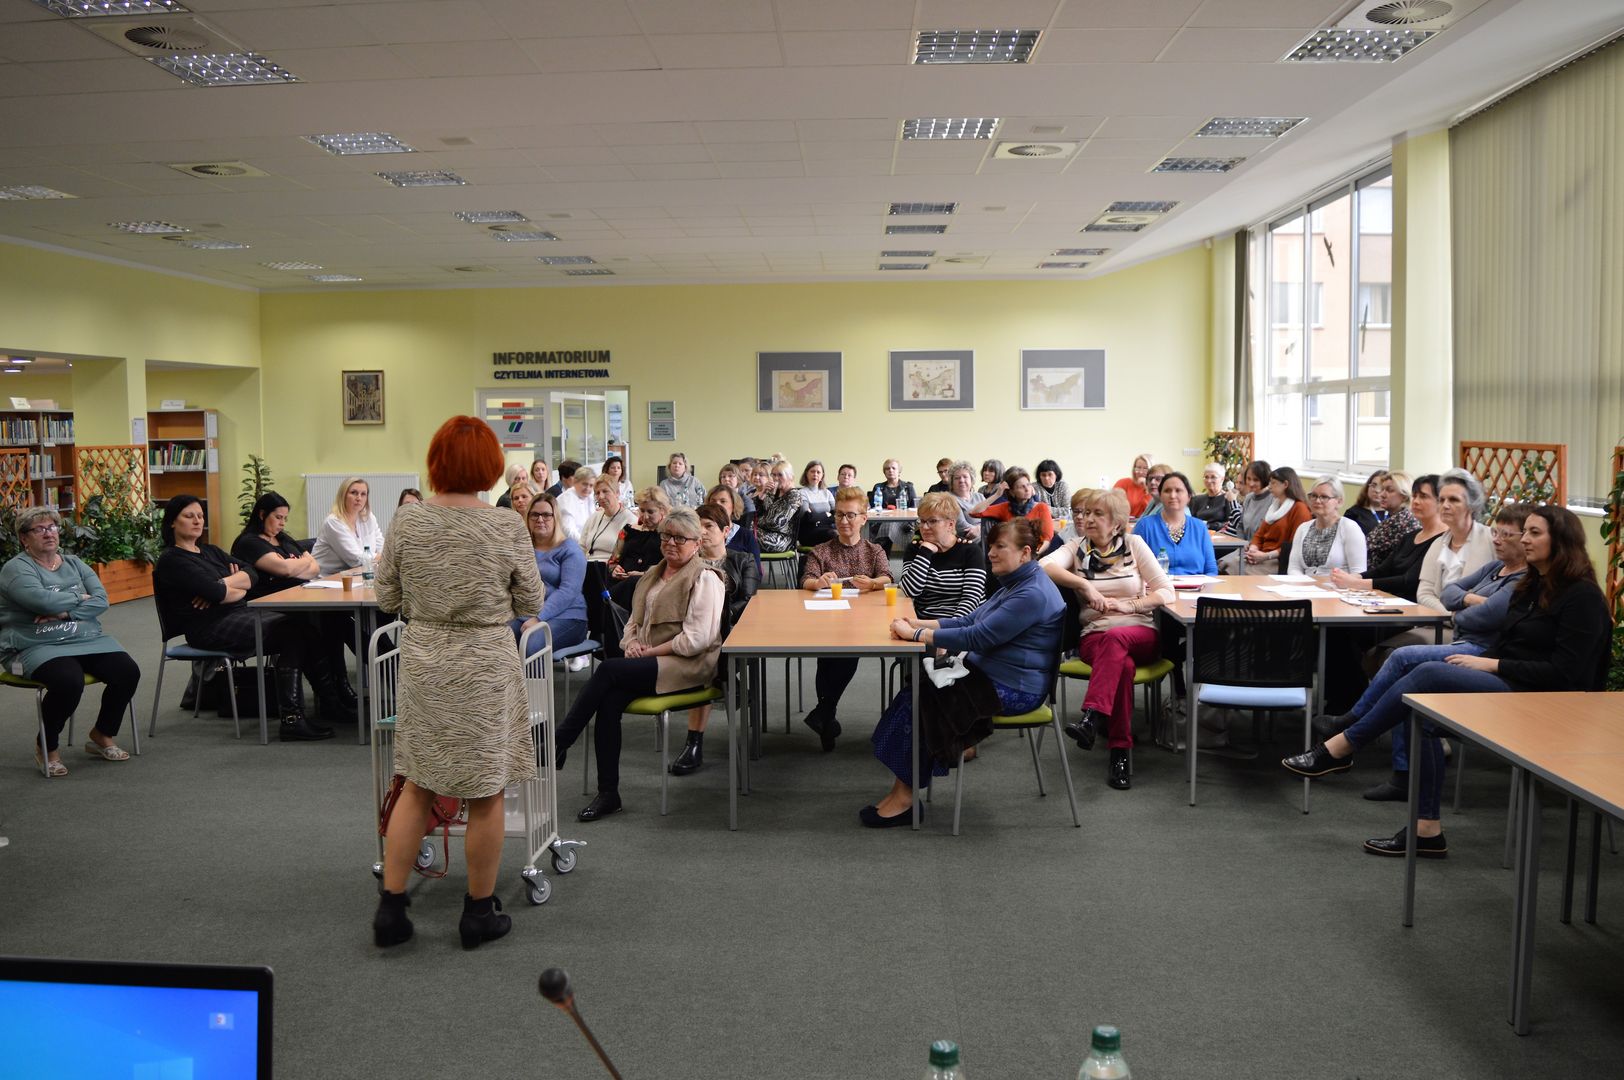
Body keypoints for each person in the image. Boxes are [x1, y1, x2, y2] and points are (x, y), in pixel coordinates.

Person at [1283, 506, 1611, 859]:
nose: (1524, 540)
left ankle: (1342, 746)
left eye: (1534, 533)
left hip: (1549, 700)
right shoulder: (1532, 586)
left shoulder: (1582, 597)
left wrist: (1491, 665)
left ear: (1561, 541)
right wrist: (1491, 663)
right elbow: (1503, 635)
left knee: (1424, 673)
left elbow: (1567, 675)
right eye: (1525, 532)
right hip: (1512, 682)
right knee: (1419, 715)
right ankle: (1427, 831)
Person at [371, 416, 543, 950]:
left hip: (425, 659)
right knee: (487, 791)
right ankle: (477, 913)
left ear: (436, 463)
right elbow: (532, 602)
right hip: (486, 662)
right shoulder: (506, 525)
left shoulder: (408, 521)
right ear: (490, 467)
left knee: (417, 784)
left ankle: (392, 910)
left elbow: (385, 597)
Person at [1315, 503, 1532, 801]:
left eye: (1506, 534)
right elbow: (1448, 592)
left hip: (1481, 650)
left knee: (1405, 660)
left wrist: (1462, 608)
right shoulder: (1495, 568)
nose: (1497, 539)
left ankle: (1354, 724)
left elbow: (1487, 617)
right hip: (1461, 640)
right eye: (1496, 532)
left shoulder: (1523, 580)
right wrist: (1471, 602)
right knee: (1403, 668)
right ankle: (1395, 767)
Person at [866, 519, 1063, 826]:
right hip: (990, 676)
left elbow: (977, 637)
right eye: (992, 546)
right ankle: (902, 791)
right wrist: (919, 624)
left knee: (923, 702)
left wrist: (917, 636)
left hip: (1016, 690)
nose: (991, 553)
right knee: (915, 693)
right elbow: (971, 620)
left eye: (1000, 547)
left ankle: (904, 799)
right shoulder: (1017, 582)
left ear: (1025, 553)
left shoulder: (1031, 593)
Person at [554, 508, 724, 821]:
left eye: (680, 538)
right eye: (666, 536)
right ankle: (609, 794)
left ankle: (559, 742)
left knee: (606, 670)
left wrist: (646, 652)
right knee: (608, 702)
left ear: (697, 543)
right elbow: (631, 623)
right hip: (649, 661)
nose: (671, 543)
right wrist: (631, 645)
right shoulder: (652, 575)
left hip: (690, 665)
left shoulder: (706, 579)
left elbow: (696, 640)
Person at [154, 495, 338, 741]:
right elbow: (217, 593)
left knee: (304, 627)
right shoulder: (172, 559)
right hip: (207, 627)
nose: (197, 521)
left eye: (200, 515)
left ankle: (329, 703)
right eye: (189, 516)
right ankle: (292, 719)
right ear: (172, 523)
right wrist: (227, 588)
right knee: (292, 631)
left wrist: (223, 586)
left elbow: (251, 576)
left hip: (236, 613)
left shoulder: (209, 551)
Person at [1043, 488, 1174, 790]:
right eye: (1086, 513)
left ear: (1116, 522)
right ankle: (1120, 753)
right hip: (1095, 637)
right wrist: (1084, 586)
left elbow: (1166, 592)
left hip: (1140, 632)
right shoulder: (1076, 547)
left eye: (1097, 514)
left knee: (1118, 641)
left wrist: (1129, 605)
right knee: (1122, 667)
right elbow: (1043, 566)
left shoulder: (1134, 544)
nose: (1087, 519)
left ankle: (1092, 716)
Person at [0, 507, 141, 776]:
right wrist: (80, 598)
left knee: (127, 671)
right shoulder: (15, 569)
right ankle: (47, 746)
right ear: (23, 539)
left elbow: (102, 600)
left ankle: (102, 734)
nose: (48, 533)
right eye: (39, 529)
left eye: (52, 527)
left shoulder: (74, 563)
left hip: (84, 638)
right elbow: (40, 600)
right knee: (68, 681)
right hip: (33, 644)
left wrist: (63, 611)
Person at [233, 491, 358, 708]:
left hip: (301, 597)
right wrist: (299, 564)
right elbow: (286, 569)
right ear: (262, 515)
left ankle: (340, 688)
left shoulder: (283, 539)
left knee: (337, 619)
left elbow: (314, 566)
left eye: (285, 518)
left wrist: (295, 565)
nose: (282, 523)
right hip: (272, 605)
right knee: (321, 624)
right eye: (278, 517)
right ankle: (332, 697)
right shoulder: (249, 542)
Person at [668, 503, 761, 777]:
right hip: (687, 634)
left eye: (709, 526)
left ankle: (693, 742)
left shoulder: (743, 560)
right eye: (698, 526)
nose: (703, 532)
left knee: (704, 659)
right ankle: (726, 684)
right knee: (699, 650)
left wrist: (713, 613)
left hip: (730, 635)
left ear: (726, 530)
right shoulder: (684, 563)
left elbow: (749, 602)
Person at [799, 486, 893, 750]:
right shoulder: (822, 550)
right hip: (827, 619)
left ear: (864, 518)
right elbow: (806, 579)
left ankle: (825, 714)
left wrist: (873, 583)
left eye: (851, 515)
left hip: (862, 622)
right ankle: (826, 716)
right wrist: (818, 582)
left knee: (845, 653)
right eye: (839, 515)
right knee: (827, 659)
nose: (843, 521)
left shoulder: (873, 551)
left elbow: (888, 576)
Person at [1331, 473, 1444, 601]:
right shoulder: (1410, 536)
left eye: (1423, 497)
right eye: (1415, 496)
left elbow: (1409, 581)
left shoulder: (1443, 539)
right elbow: (1383, 570)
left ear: (1441, 501)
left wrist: (1357, 583)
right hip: (1391, 600)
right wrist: (1355, 577)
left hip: (1415, 607)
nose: (1416, 501)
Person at [511, 491, 588, 658]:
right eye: (535, 515)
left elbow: (568, 592)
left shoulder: (569, 549)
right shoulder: (522, 548)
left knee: (533, 644)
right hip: (527, 613)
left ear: (555, 518)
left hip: (569, 617)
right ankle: (508, 684)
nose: (540, 519)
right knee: (501, 637)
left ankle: (534, 685)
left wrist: (539, 618)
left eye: (546, 515)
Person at [899, 492, 987, 620]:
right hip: (926, 621)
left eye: (932, 521)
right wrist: (925, 552)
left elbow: (971, 599)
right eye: (922, 521)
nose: (924, 527)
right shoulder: (915, 549)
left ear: (950, 524)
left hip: (962, 625)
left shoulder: (970, 550)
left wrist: (947, 629)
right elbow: (908, 591)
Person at [1132, 471, 1218, 576]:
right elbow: (1132, 567)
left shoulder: (1200, 528)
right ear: (1160, 495)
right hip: (1156, 589)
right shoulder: (1145, 526)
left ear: (1189, 496)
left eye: (1178, 491)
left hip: (1196, 589)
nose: (1173, 495)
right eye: (1167, 491)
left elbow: (1211, 569)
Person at [1287, 476, 1368, 576]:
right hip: (1305, 588)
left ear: (1339, 501)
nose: (1317, 501)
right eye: (1313, 496)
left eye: (1324, 497)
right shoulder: (1303, 528)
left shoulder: (1350, 528)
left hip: (1338, 589)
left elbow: (1358, 573)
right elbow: (1294, 568)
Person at [1239, 466, 1311, 575]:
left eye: (1273, 483)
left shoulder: (1300, 509)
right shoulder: (1274, 506)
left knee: (1237, 571)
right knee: (1224, 563)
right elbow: (1259, 534)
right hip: (1261, 555)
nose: (1269, 487)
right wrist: (1253, 549)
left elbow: (1293, 546)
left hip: (1278, 561)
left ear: (1285, 484)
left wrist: (1265, 556)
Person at [312, 476, 384, 575]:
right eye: (354, 493)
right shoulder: (333, 522)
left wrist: (388, 556)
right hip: (326, 580)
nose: (359, 498)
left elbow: (382, 546)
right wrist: (386, 557)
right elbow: (356, 559)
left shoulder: (368, 517)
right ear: (343, 495)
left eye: (363, 494)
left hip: (355, 575)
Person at [970, 466, 1055, 548]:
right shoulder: (1005, 507)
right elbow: (974, 512)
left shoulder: (1041, 507)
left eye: (1028, 484)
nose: (1027, 489)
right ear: (1011, 492)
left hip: (1035, 553)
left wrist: (1035, 554)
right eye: (1021, 487)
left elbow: (1047, 539)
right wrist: (997, 494)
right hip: (1012, 552)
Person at [609, 487, 669, 589]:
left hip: (651, 584)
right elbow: (612, 561)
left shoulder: (667, 535)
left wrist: (644, 574)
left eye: (650, 512)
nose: (645, 516)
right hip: (620, 581)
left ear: (662, 511)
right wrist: (614, 569)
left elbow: (670, 567)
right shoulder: (628, 530)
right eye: (642, 510)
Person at [1361, 470, 1421, 567]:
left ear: (1404, 496)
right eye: (1383, 489)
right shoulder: (1398, 517)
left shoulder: (1402, 521)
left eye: (1389, 490)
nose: (1382, 495)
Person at [579, 474, 635, 560]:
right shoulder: (594, 517)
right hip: (588, 567)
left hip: (611, 569)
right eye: (597, 493)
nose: (601, 497)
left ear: (617, 493)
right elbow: (581, 547)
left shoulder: (630, 520)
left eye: (605, 491)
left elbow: (630, 556)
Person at [754, 460, 805, 555]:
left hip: (782, 540)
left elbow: (775, 523)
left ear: (791, 477)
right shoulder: (773, 492)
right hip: (765, 534)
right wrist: (763, 494)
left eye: (780, 475)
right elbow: (753, 513)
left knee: (743, 532)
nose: (776, 478)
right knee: (739, 530)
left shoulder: (794, 495)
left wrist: (755, 523)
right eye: (773, 475)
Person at [706, 484, 761, 566]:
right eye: (713, 501)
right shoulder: (701, 533)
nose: (717, 505)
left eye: (723, 501)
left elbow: (756, 571)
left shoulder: (746, 535)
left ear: (733, 506)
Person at [554, 466, 596, 542]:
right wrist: (586, 544)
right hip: (571, 543)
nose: (588, 488)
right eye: (584, 484)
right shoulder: (567, 499)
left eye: (591, 485)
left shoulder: (590, 496)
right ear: (575, 482)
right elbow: (568, 530)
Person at [1190, 464, 1237, 530]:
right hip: (1199, 534)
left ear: (1222, 479)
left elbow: (1231, 523)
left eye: (1213, 477)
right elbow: (1192, 522)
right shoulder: (1197, 499)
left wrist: (1210, 526)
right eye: (1206, 477)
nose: (1209, 480)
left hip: (1221, 536)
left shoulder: (1228, 498)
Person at [1344, 470, 1390, 535]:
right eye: (1373, 485)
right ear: (1367, 487)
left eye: (1382, 487)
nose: (1377, 490)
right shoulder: (1353, 513)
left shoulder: (1394, 513)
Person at [1112, 453, 1153, 519]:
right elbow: (1111, 505)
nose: (1141, 472)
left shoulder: (1154, 488)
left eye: (1145, 468)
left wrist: (1147, 488)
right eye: (1138, 468)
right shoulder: (1123, 483)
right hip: (1124, 522)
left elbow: (1150, 511)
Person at [717, 463, 756, 529]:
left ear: (738, 479)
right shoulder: (717, 498)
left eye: (730, 476)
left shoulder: (746, 502)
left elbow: (745, 528)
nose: (726, 479)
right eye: (723, 477)